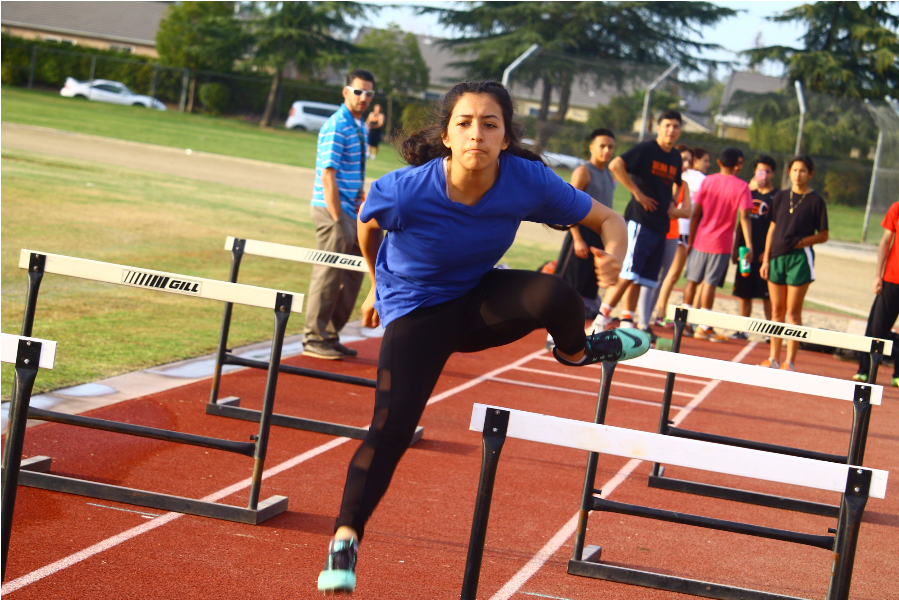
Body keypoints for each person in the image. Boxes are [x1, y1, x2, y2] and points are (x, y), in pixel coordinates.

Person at [316, 80, 650, 594]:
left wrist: (613, 258)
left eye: (490, 125)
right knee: (393, 424)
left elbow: (607, 218)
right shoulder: (405, 190)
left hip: (476, 302)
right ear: (447, 136)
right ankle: (345, 538)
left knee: (557, 296)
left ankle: (577, 350)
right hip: (417, 313)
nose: (477, 134)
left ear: (505, 137)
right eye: (465, 123)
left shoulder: (526, 180)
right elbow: (367, 225)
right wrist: (378, 285)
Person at [302, 69, 375, 360]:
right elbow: (327, 174)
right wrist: (337, 218)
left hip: (351, 210)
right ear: (346, 92)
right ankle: (313, 337)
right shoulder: (336, 125)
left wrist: (360, 199)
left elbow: (352, 171)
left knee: (355, 274)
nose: (363, 97)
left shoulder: (360, 126)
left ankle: (330, 334)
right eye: (358, 91)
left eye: (369, 93)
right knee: (328, 275)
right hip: (332, 210)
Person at [593, 111, 684, 331]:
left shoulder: (675, 157)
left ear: (680, 130)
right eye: (667, 125)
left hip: (661, 225)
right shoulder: (646, 149)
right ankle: (600, 320)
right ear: (659, 128)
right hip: (641, 221)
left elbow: (678, 183)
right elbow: (616, 165)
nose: (671, 130)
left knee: (639, 277)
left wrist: (673, 201)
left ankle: (627, 322)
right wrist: (637, 193)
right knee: (628, 273)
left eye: (675, 126)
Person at [760, 155, 829, 371]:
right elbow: (772, 228)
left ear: (810, 174)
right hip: (776, 258)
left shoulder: (816, 201)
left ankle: (789, 361)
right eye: (794, 170)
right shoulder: (780, 197)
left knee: (792, 312)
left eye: (802, 171)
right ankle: (773, 358)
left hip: (799, 259)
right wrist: (766, 258)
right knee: (776, 311)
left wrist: (800, 242)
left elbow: (824, 235)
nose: (798, 174)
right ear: (789, 172)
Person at [682, 147, 754, 342]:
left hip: (700, 238)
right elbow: (745, 217)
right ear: (738, 165)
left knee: (692, 281)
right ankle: (704, 326)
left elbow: (695, 212)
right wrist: (749, 244)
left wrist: (691, 239)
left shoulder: (708, 181)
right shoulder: (742, 187)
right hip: (722, 243)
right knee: (710, 283)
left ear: (719, 162)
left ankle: (684, 323)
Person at [552, 128, 617, 325]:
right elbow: (569, 207)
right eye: (602, 146)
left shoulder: (608, 175)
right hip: (580, 234)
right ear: (591, 147)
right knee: (568, 287)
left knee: (588, 292)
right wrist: (578, 239)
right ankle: (553, 331)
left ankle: (579, 333)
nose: (606, 150)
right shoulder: (583, 172)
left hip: (598, 238)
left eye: (610, 147)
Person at [637, 143, 693, 335]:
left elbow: (687, 211)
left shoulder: (684, 185)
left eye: (688, 161)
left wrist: (671, 211)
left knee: (661, 279)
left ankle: (647, 319)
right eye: (683, 160)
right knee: (643, 276)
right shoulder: (661, 179)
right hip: (653, 229)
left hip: (672, 234)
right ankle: (638, 320)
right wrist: (669, 210)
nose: (685, 165)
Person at [654, 147, 708, 327]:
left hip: (685, 230)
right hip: (677, 230)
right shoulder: (692, 179)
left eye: (688, 160)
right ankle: (660, 313)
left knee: (673, 275)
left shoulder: (686, 180)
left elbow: (690, 209)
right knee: (671, 274)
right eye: (705, 160)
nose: (686, 164)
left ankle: (663, 313)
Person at [729, 156, 776, 338]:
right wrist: (736, 248)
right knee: (744, 292)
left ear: (772, 174)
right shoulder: (747, 192)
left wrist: (768, 253)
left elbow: (776, 227)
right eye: (759, 171)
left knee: (767, 295)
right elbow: (741, 221)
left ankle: (772, 333)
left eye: (767, 172)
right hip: (745, 251)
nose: (763, 175)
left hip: (764, 252)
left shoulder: (776, 196)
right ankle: (742, 330)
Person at [854, 200, 899, 385]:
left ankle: (897, 375)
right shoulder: (897, 208)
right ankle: (865, 371)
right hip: (891, 279)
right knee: (877, 327)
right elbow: (886, 241)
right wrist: (878, 275)